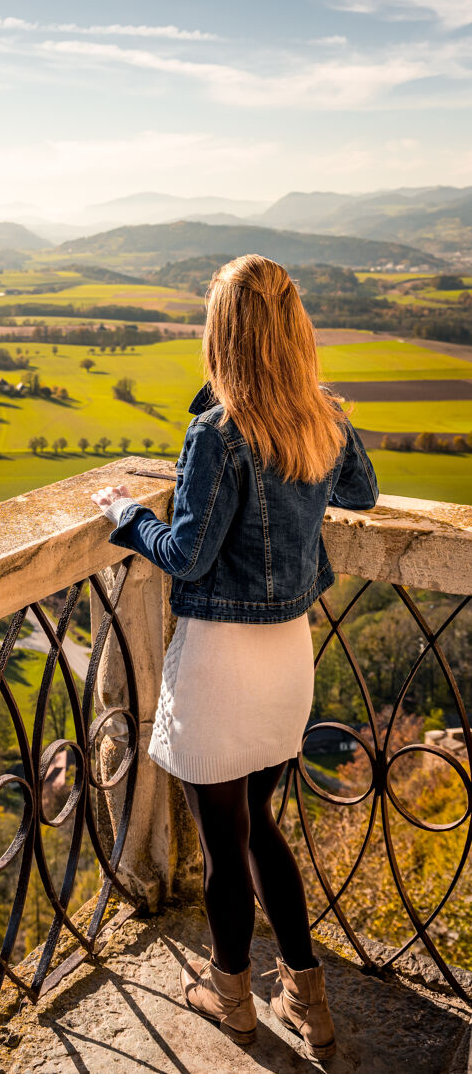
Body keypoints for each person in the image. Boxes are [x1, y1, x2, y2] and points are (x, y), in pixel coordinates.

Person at [91, 253, 378, 1060]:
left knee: (225, 848)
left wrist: (124, 514)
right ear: (293, 330)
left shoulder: (219, 432)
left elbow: (186, 553)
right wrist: (329, 424)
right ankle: (308, 1000)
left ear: (222, 333)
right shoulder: (318, 414)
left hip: (221, 658)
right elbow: (360, 491)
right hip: (288, 654)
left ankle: (231, 998)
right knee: (262, 829)